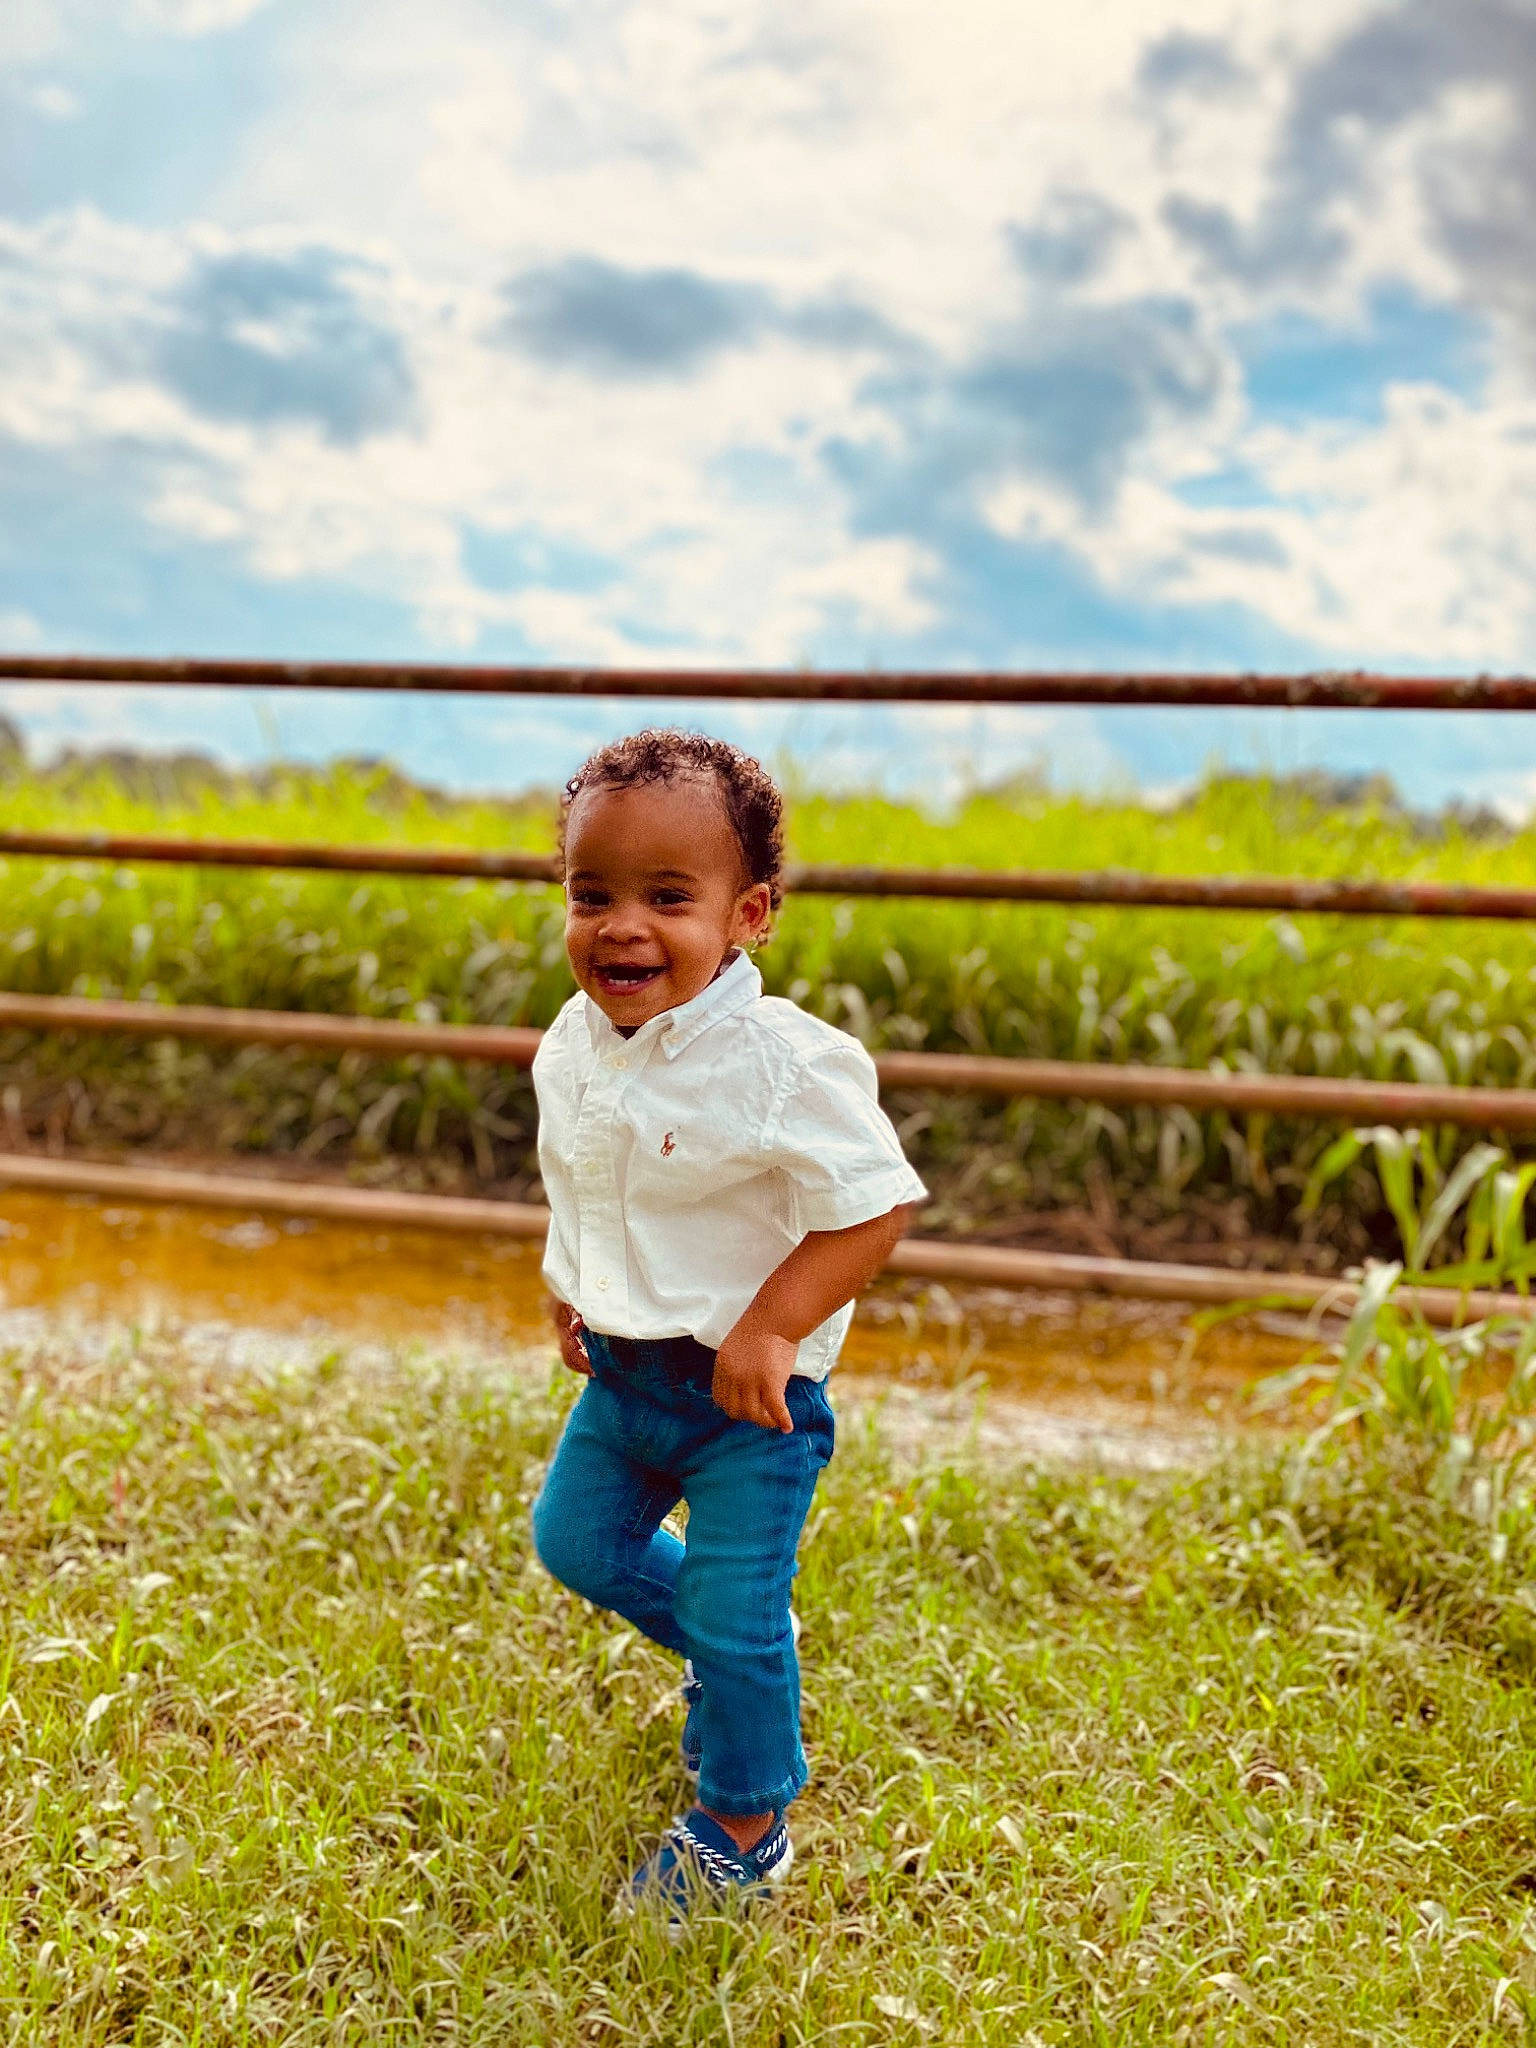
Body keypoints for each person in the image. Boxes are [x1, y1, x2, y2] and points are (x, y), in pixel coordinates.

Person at [530, 729, 926, 1919]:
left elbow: (877, 1204)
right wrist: (571, 1278)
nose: (621, 927)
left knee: (729, 1600)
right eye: (591, 893)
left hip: (751, 1402)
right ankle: (738, 1643)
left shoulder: (782, 1062)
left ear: (749, 912)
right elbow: (584, 1172)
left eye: (667, 896)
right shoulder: (575, 1041)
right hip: (627, 1375)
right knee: (577, 1542)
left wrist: (770, 1325)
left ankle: (745, 1826)